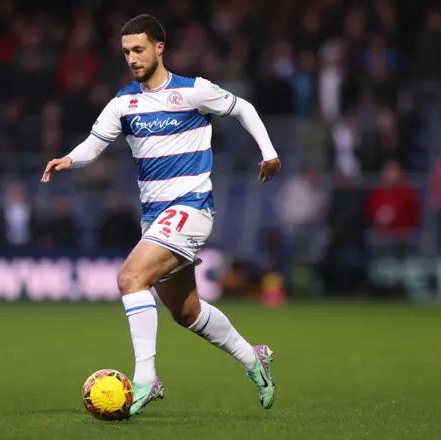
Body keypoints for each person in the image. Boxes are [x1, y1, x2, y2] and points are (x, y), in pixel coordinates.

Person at [41, 14, 281, 416]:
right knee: (187, 312)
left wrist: (269, 153)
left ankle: (146, 377)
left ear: (159, 48)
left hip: (191, 207)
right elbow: (94, 144)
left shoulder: (193, 91)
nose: (132, 58)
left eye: (138, 49)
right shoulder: (124, 102)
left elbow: (245, 109)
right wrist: (68, 159)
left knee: (129, 278)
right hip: (154, 218)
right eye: (126, 52)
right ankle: (253, 358)